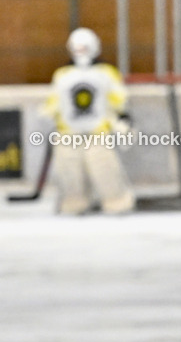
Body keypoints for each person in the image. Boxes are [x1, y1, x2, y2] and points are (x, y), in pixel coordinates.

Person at [44, 27, 135, 214]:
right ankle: (73, 203)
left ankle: (117, 202)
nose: (81, 53)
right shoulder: (62, 75)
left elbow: (118, 99)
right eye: (77, 48)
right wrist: (50, 114)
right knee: (69, 172)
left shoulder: (106, 73)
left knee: (105, 169)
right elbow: (54, 102)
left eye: (85, 48)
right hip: (68, 133)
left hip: (98, 131)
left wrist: (123, 120)